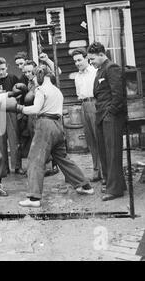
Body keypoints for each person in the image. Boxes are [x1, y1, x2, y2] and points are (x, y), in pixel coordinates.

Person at [11, 65, 94, 208]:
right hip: (58, 125)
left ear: (40, 76)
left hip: (45, 125)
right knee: (62, 158)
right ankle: (85, 185)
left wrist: (19, 108)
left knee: (35, 159)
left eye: (36, 78)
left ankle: (33, 198)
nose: (35, 81)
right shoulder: (57, 91)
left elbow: (35, 109)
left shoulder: (41, 90)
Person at [87, 42, 127, 201]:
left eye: (92, 58)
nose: (91, 62)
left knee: (112, 153)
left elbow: (118, 95)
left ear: (101, 54)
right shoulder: (100, 70)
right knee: (106, 152)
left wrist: (110, 114)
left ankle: (115, 190)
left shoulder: (111, 68)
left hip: (110, 117)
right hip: (102, 115)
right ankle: (117, 184)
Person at [0, 57, 26, 175]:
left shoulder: (13, 78)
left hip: (11, 112)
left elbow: (21, 93)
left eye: (3, 69)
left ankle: (17, 166)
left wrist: (14, 99)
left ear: (6, 67)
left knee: (14, 140)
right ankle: (4, 168)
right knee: (1, 143)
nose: (1, 72)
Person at [72, 48, 102, 182]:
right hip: (83, 105)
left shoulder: (95, 72)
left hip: (94, 104)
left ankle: (105, 171)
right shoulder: (77, 76)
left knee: (99, 137)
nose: (77, 63)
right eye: (75, 61)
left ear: (86, 59)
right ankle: (97, 170)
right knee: (90, 140)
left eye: (79, 60)